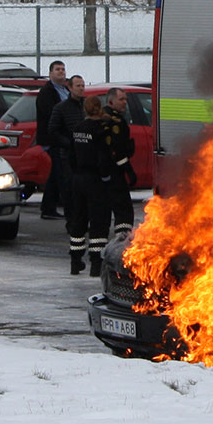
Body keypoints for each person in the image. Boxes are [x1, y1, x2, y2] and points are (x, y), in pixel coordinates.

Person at [64, 76, 132, 275]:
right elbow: (104, 157)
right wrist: (106, 177)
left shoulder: (78, 129)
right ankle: (95, 264)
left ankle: (75, 261)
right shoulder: (101, 130)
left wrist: (74, 173)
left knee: (78, 219)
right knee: (98, 221)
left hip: (78, 179)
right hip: (95, 180)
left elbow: (71, 155)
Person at [93, 87, 138, 240]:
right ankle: (122, 238)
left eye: (126, 99)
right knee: (123, 207)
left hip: (102, 171)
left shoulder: (102, 118)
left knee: (104, 207)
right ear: (111, 101)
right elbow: (118, 151)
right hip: (114, 171)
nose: (125, 102)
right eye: (121, 99)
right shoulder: (115, 122)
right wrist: (129, 171)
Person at [34, 60, 72, 219]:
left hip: (65, 138)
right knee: (59, 173)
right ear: (50, 73)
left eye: (63, 69)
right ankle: (61, 209)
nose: (61, 72)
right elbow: (52, 116)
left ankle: (48, 208)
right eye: (57, 69)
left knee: (55, 174)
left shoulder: (66, 90)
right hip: (53, 140)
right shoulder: (47, 92)